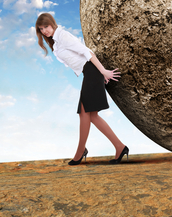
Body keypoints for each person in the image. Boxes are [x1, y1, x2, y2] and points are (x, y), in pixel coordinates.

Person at [35, 12, 129, 166]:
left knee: (85, 113)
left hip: (92, 71)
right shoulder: (56, 43)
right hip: (89, 73)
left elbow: (87, 52)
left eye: (46, 26)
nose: (44, 30)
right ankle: (120, 147)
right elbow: (74, 60)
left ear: (52, 24)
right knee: (91, 116)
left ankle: (81, 152)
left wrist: (103, 71)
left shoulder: (63, 35)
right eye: (41, 29)